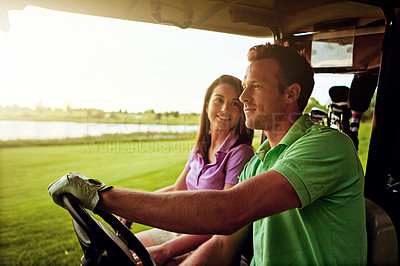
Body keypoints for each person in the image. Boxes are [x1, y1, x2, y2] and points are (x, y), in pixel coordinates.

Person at [49, 43, 367, 265]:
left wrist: (101, 196)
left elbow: (230, 211)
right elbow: (221, 242)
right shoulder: (259, 163)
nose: (242, 97)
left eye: (254, 86)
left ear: (290, 93)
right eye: (243, 86)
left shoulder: (328, 146)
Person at [130, 74, 254, 265]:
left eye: (234, 104)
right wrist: (133, 208)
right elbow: (177, 190)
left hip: (204, 240)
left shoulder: (241, 153)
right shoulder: (199, 149)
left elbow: (225, 220)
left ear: (241, 112)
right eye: (219, 100)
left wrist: (165, 250)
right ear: (206, 106)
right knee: (121, 248)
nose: (224, 109)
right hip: (179, 228)